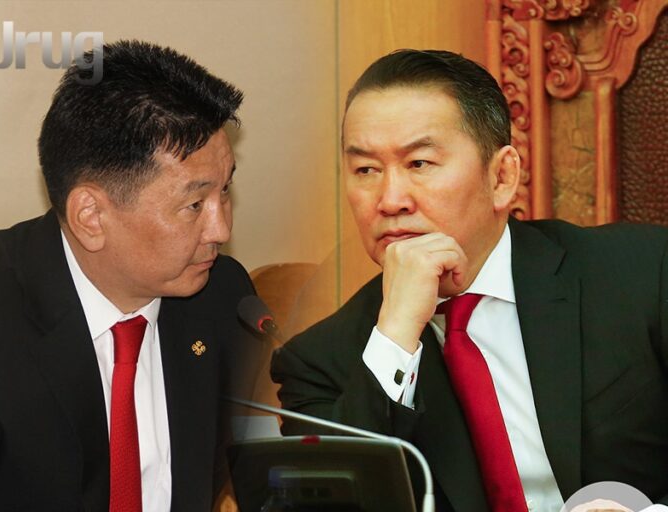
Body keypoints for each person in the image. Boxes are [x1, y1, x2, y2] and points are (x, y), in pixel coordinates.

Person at [271, 49, 668, 512]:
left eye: (419, 163)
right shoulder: (319, 362)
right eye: (366, 171)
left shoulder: (643, 273)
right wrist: (397, 333)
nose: (390, 199)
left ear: (502, 177)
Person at [0, 40, 260, 511]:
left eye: (225, 190)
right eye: (194, 204)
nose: (221, 229)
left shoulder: (224, 297)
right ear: (90, 216)